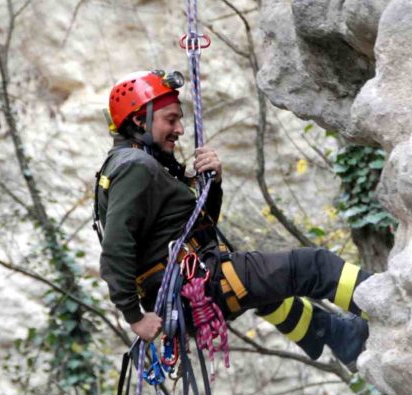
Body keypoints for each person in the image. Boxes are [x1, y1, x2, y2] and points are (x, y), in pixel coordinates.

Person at [96, 70, 370, 368]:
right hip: (194, 285)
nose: (180, 129)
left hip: (190, 286)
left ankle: (338, 335)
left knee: (273, 295)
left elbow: (198, 226)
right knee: (313, 266)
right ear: (139, 121)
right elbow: (116, 247)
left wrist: (212, 184)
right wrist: (134, 317)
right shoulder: (135, 166)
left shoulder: (140, 164)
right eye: (171, 119)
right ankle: (387, 302)